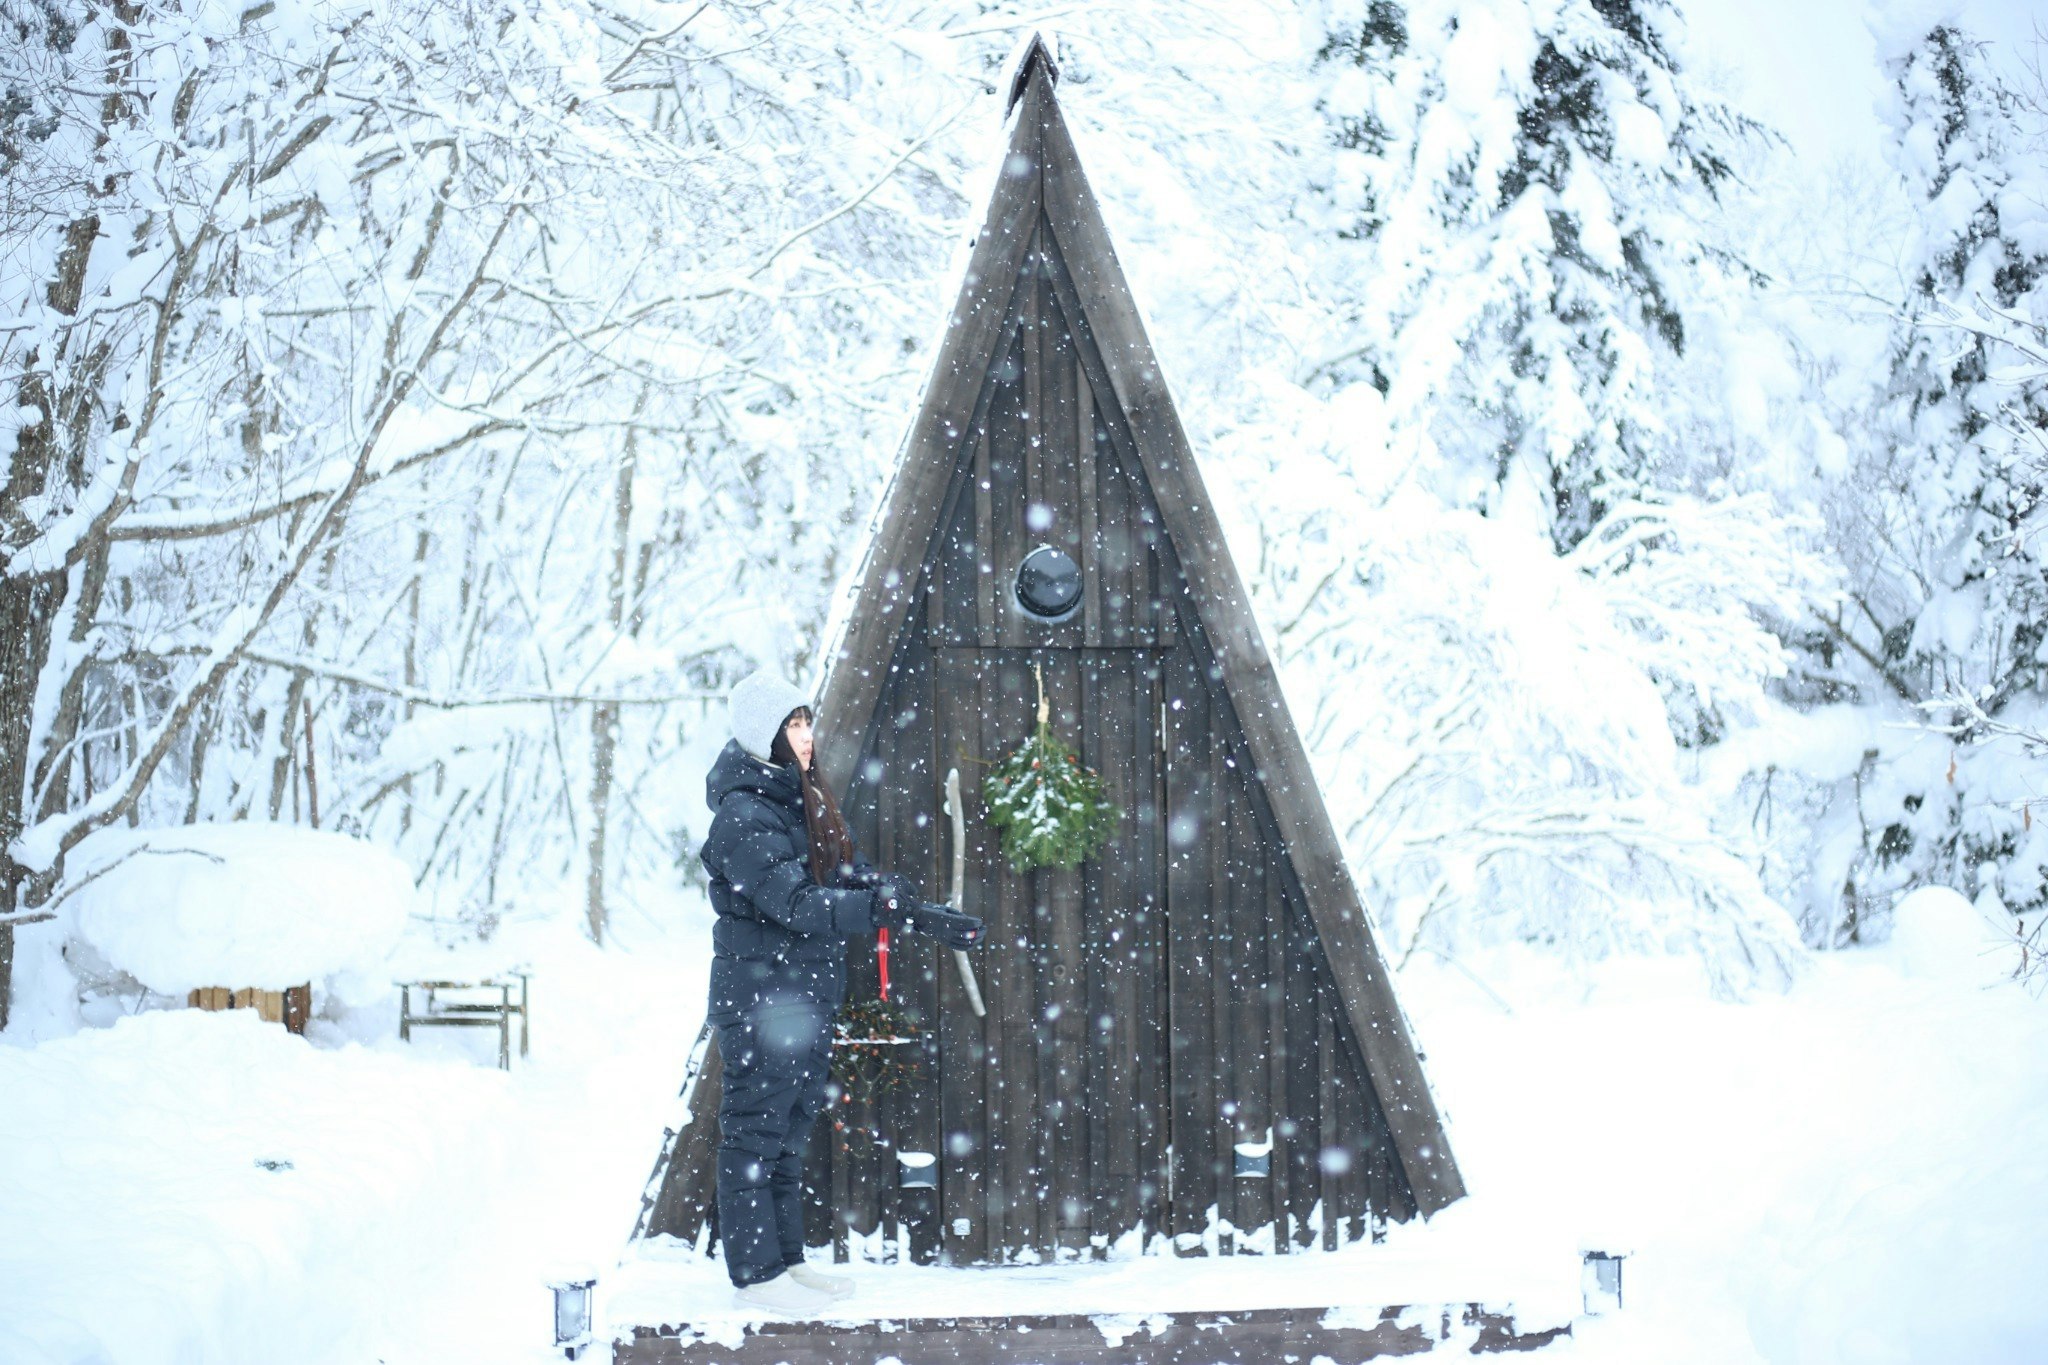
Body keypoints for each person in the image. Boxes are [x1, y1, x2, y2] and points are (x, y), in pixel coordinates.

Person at [700, 671, 983, 1318]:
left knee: (790, 1132)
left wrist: (903, 901)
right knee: (754, 1132)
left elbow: (834, 874)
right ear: (762, 732)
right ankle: (754, 1270)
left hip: (800, 999)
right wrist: (871, 906)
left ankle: (787, 1259)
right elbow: (795, 902)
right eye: (794, 724)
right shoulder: (744, 815)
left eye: (807, 721)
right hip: (763, 1001)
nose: (806, 736)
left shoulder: (793, 802)